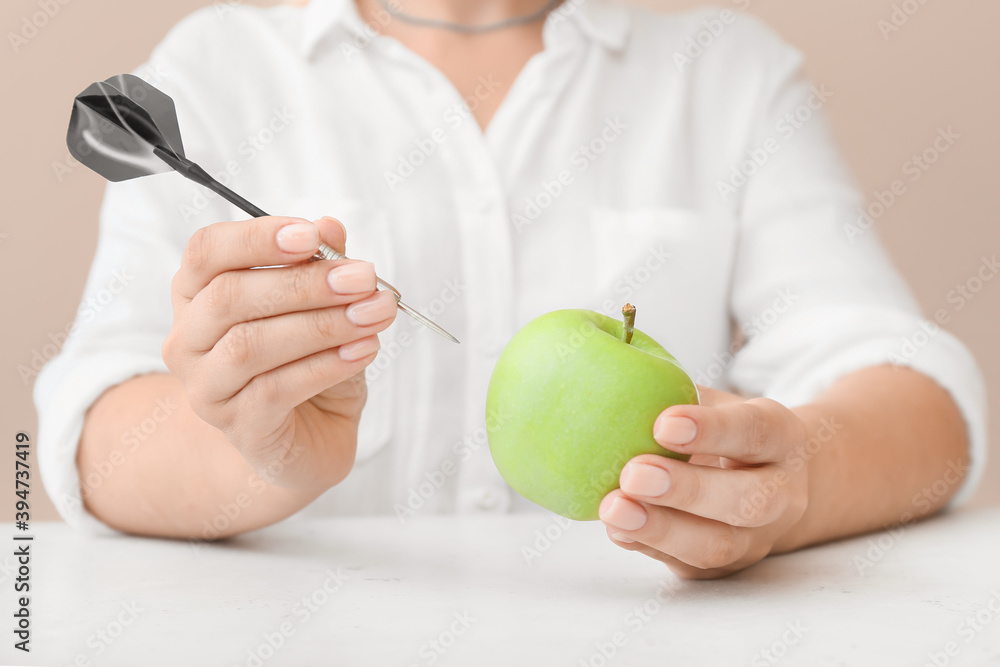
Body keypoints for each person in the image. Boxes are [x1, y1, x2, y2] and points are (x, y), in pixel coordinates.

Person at [35, 0, 986, 579]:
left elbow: (914, 394)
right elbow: (91, 435)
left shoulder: (725, 77)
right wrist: (255, 455)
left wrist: (798, 481)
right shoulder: (219, 71)